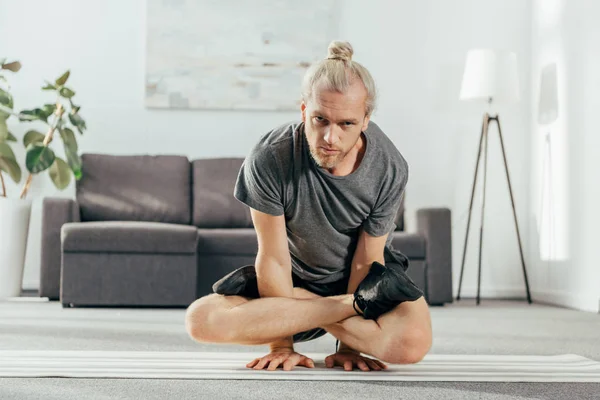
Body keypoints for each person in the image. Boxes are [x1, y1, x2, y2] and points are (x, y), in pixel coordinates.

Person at [185, 40, 432, 372]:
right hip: (290, 286)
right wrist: (280, 343)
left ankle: (314, 309)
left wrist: (350, 347)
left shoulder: (389, 166)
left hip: (360, 290)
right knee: (201, 320)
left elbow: (367, 260)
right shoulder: (270, 157)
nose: (331, 137)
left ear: (365, 119)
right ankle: (314, 308)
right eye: (320, 120)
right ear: (304, 110)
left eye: (346, 123)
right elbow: (272, 256)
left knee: (413, 342)